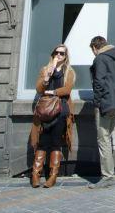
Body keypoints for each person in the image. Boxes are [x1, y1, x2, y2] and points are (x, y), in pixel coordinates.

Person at [29, 44, 75, 188]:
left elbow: (67, 89)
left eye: (62, 53)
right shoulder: (45, 69)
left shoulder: (69, 71)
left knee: (55, 142)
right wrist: (48, 75)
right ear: (53, 54)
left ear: (66, 56)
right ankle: (35, 175)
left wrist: (52, 92)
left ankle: (53, 176)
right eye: (56, 53)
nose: (59, 55)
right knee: (42, 142)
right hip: (44, 111)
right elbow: (39, 88)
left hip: (61, 111)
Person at [89, 35, 115, 189]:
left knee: (103, 140)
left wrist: (96, 103)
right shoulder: (114, 58)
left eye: (92, 51)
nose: (93, 54)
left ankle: (108, 176)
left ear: (95, 48)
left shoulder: (101, 59)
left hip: (105, 104)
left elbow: (99, 82)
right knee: (107, 138)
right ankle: (109, 175)